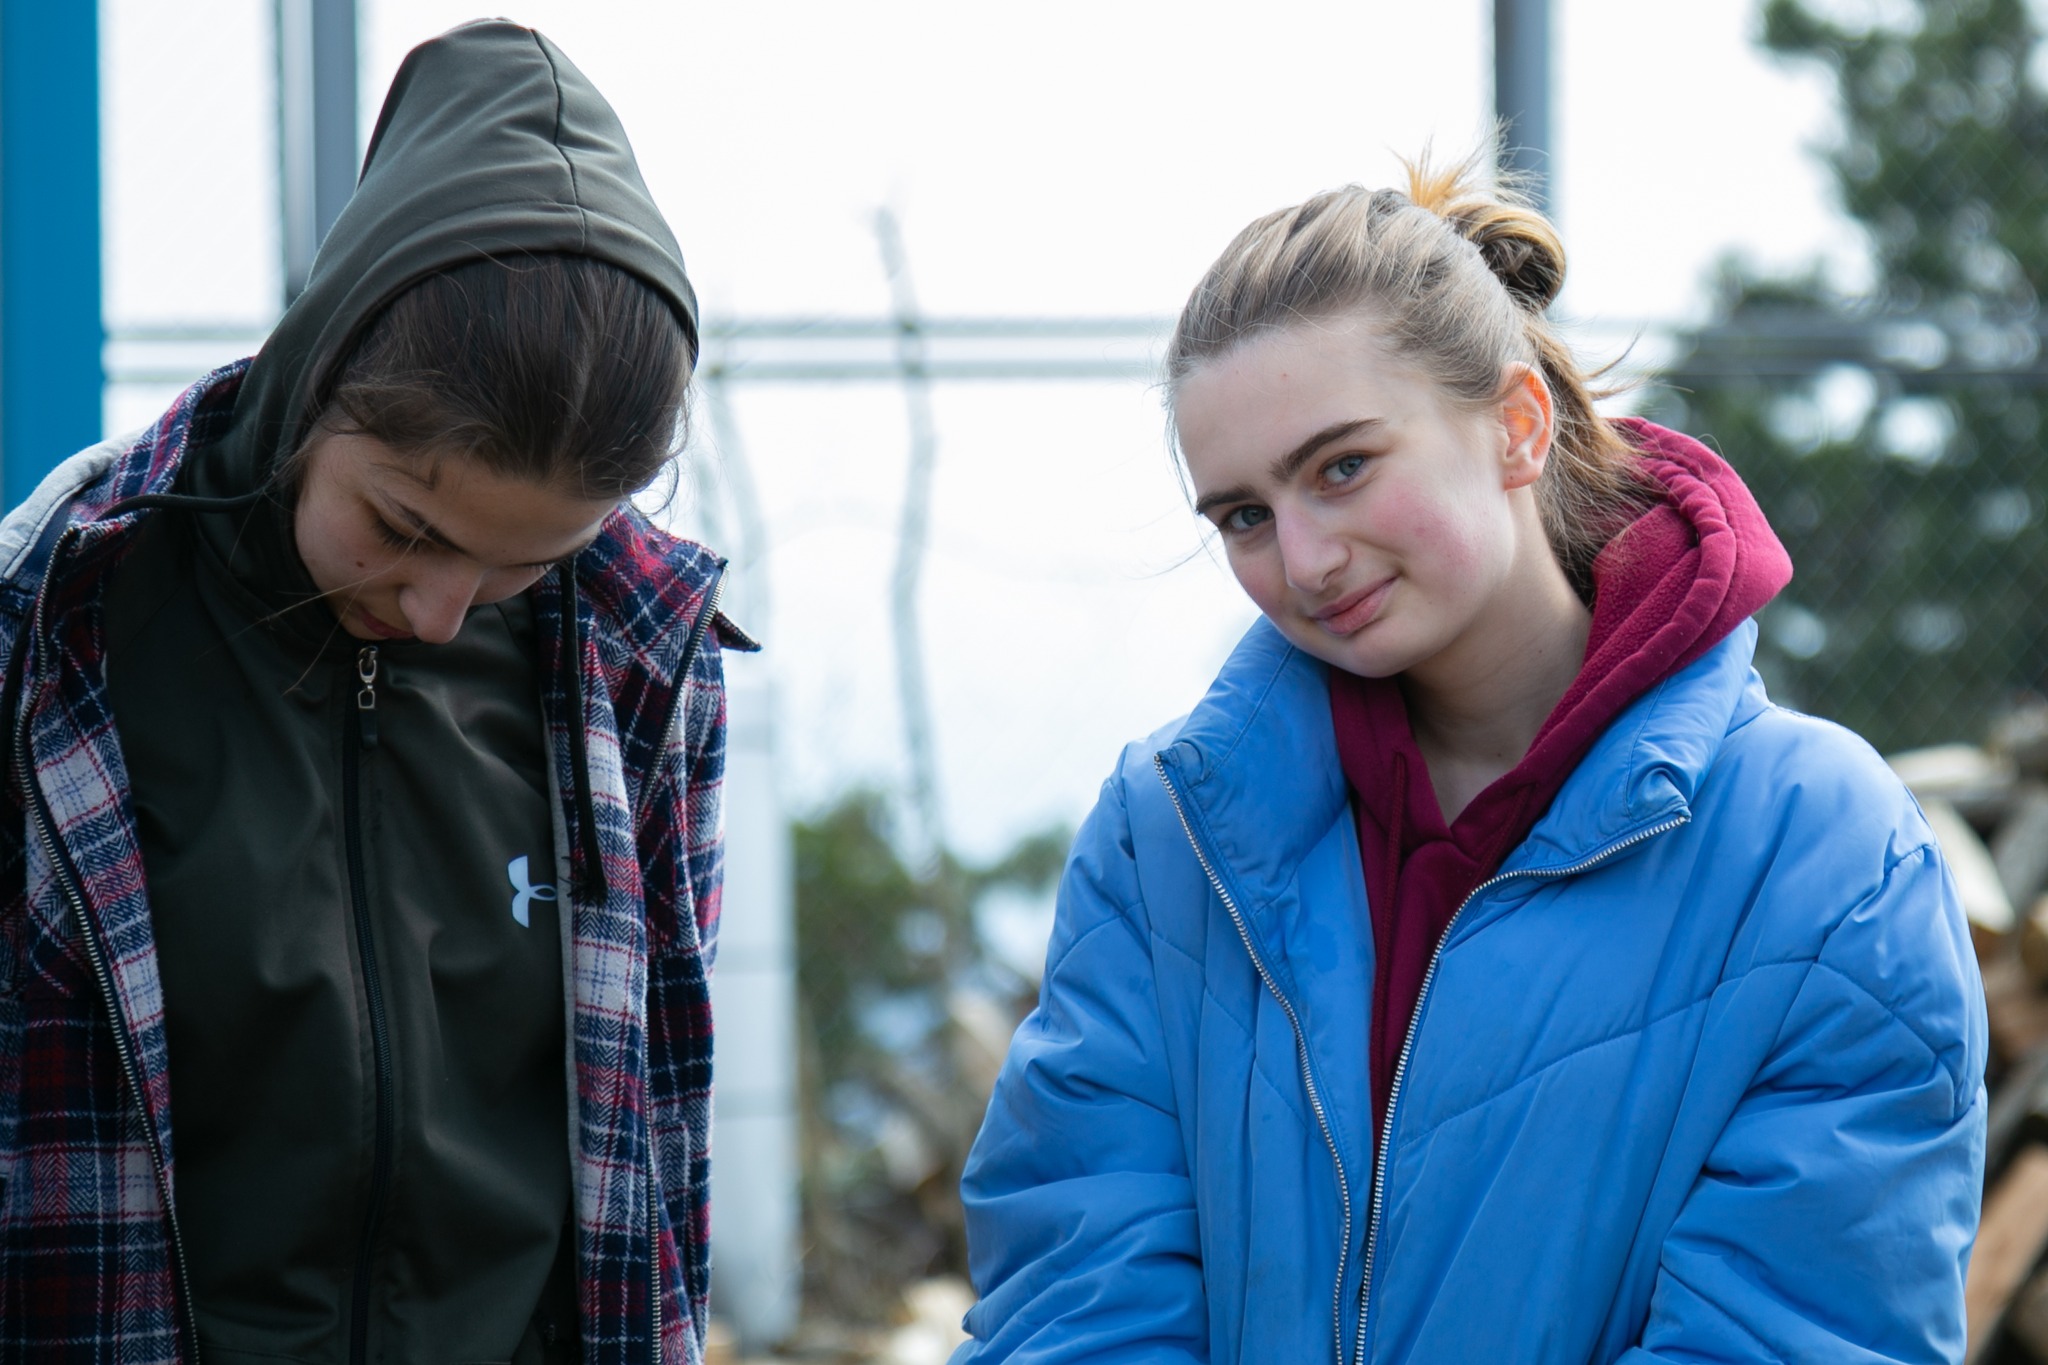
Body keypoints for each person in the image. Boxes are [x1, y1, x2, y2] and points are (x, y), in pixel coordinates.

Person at [951, 156, 1986, 1363]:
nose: (1304, 559)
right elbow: (1076, 1292)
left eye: (1342, 467)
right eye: (1244, 516)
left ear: (1516, 426)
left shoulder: (1822, 856)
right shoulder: (1165, 838)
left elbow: (1798, 1330)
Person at [0, 20, 750, 1365]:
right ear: (319, 375)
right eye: (405, 527)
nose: (440, 610)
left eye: (523, 566)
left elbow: (660, 1159)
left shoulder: (646, 660)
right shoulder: (55, 623)